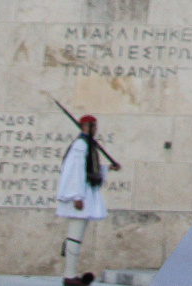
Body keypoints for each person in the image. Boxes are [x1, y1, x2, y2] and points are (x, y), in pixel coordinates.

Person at [56, 114, 117, 286]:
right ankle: (69, 275)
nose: (95, 129)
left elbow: (91, 168)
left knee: (76, 236)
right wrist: (77, 196)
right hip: (80, 194)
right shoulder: (80, 145)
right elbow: (76, 171)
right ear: (85, 127)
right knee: (74, 235)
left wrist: (108, 168)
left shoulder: (88, 144)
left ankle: (71, 275)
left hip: (84, 193)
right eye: (93, 126)